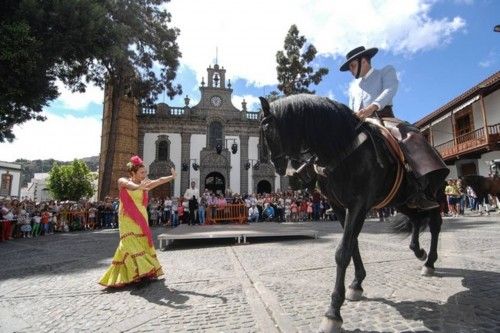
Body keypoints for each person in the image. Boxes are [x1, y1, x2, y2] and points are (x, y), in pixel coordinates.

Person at [340, 46, 449, 211]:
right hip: (358, 124)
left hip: (383, 118)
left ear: (364, 61)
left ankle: (418, 188)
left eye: (352, 65)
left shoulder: (385, 71)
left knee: (410, 137)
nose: (350, 70)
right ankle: (340, 194)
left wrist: (373, 107)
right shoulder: (354, 87)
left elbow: (390, 90)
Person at [99, 155, 176, 288]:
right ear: (133, 172)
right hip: (127, 217)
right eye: (142, 172)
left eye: (145, 172)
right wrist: (140, 187)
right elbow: (129, 185)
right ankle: (140, 271)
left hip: (141, 216)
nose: (144, 174)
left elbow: (159, 180)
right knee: (129, 242)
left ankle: (139, 273)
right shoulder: (122, 180)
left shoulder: (144, 183)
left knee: (140, 243)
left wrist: (172, 177)